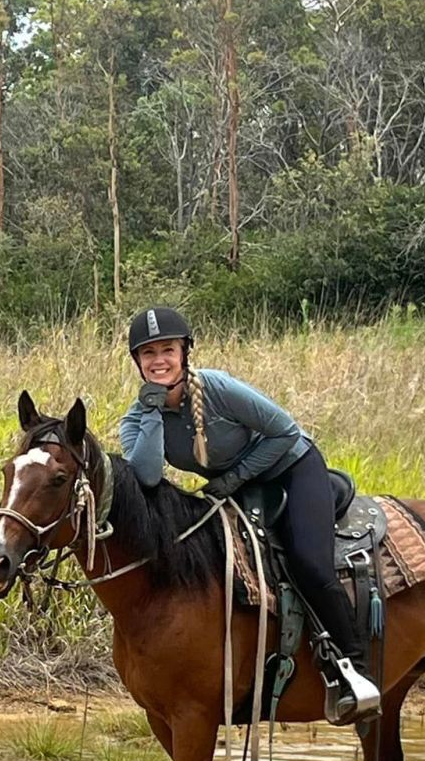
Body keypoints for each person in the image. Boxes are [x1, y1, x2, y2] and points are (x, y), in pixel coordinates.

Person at [117, 305, 379, 722]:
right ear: (137, 362)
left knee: (309, 563)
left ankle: (355, 669)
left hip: (293, 468)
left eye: (167, 349)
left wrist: (235, 477)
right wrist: (151, 411)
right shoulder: (136, 418)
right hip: (239, 488)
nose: (159, 360)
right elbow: (147, 474)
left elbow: (285, 430)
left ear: (185, 352)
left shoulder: (218, 388)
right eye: (148, 354)